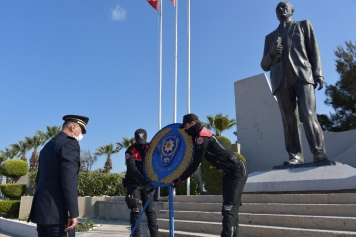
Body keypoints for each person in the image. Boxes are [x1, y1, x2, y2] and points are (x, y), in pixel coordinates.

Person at [261, 1, 327, 165]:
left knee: (309, 114)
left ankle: (318, 151)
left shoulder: (304, 25)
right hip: (280, 81)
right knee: (289, 120)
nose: (281, 9)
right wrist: (272, 53)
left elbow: (314, 50)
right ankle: (295, 155)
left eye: (284, 6)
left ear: (292, 11)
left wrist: (318, 74)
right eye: (278, 8)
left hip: (302, 76)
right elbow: (264, 65)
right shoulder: (270, 37)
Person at [173, 114, 248, 237]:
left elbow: (196, 163)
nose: (185, 130)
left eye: (186, 127)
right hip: (228, 174)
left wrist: (180, 179)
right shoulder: (198, 136)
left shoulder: (203, 136)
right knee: (231, 211)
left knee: (228, 210)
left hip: (237, 172)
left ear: (192, 123)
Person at [28, 115, 89, 237]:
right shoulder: (70, 144)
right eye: (80, 131)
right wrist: (72, 213)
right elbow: (69, 180)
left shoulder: (48, 145)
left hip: (43, 212)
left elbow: (40, 178)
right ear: (73, 127)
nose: (80, 135)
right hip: (59, 215)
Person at [124, 128, 159, 237]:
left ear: (147, 138)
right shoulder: (130, 151)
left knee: (150, 212)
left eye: (143, 142)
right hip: (133, 183)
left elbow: (157, 167)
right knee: (136, 211)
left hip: (147, 184)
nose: (141, 145)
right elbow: (132, 170)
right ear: (134, 139)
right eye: (138, 142)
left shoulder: (151, 148)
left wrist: (153, 186)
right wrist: (146, 184)